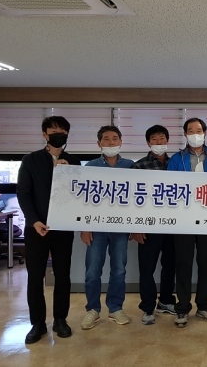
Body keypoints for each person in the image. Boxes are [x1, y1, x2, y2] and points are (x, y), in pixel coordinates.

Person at [16, 116, 81, 344]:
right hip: (36, 228)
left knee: (62, 275)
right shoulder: (31, 160)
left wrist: (68, 174)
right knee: (35, 277)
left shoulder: (74, 161)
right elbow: (23, 194)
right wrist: (34, 221)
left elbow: (78, 196)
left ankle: (60, 320)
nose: (58, 135)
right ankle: (37, 323)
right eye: (53, 131)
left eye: (62, 131)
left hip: (63, 228)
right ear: (45, 134)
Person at [80, 126, 134, 330]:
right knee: (93, 271)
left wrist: (135, 226)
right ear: (99, 143)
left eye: (114, 139)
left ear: (120, 142)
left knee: (119, 270)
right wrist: (84, 228)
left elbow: (137, 199)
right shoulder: (90, 166)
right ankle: (92, 310)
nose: (111, 142)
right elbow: (83, 198)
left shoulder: (130, 166)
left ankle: (115, 308)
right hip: (96, 227)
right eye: (106, 139)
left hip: (121, 227)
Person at [167, 118, 207, 328]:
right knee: (183, 264)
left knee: (205, 264)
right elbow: (169, 186)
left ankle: (205, 306)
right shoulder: (176, 159)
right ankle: (182, 308)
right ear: (185, 134)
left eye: (198, 130)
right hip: (183, 219)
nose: (195, 134)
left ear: (205, 133)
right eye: (190, 130)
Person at [130, 125, 177, 325]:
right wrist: (135, 226)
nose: (159, 142)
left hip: (173, 224)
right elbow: (132, 198)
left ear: (167, 140)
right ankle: (148, 307)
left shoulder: (176, 163)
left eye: (162, 138)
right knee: (147, 268)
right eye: (154, 139)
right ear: (148, 142)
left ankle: (166, 301)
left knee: (170, 265)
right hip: (148, 225)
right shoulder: (139, 166)